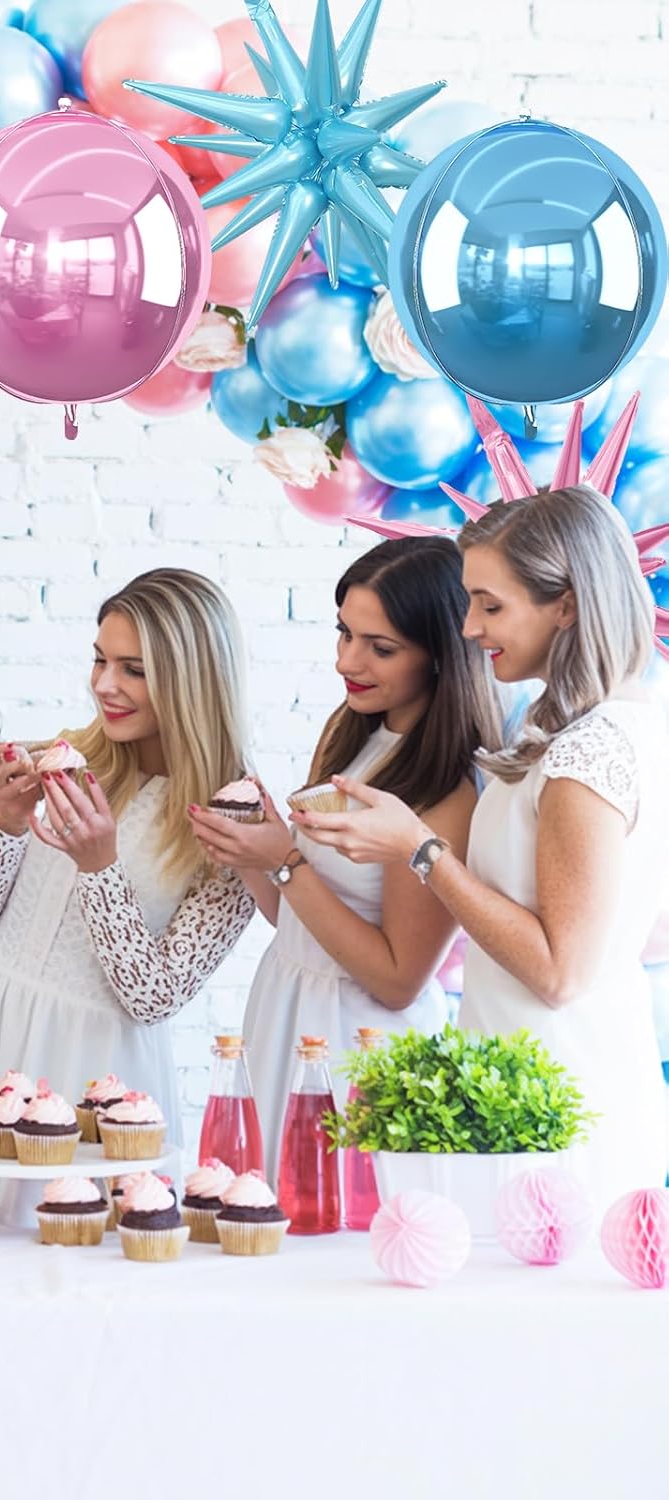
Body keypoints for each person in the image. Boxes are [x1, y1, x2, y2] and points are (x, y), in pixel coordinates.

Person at [295, 487, 669, 1202]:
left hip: (559, 1101)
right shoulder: (613, 723)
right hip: (531, 1086)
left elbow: (559, 974)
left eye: (490, 606)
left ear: (566, 606)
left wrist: (420, 850)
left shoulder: (587, 755)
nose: (468, 628)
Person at [190, 537, 501, 1179]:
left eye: (379, 648)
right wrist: (250, 848)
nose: (346, 661)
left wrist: (285, 861)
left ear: (441, 656)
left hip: (355, 1041)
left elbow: (398, 980)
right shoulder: (353, 733)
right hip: (286, 1007)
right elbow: (296, 921)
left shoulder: (445, 793)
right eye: (344, 632)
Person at [0, 568, 256, 1171]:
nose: (105, 684)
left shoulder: (234, 824)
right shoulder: (61, 762)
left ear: (193, 680)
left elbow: (153, 997)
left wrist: (100, 867)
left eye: (135, 670)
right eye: (100, 659)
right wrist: (6, 820)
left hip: (100, 1077)